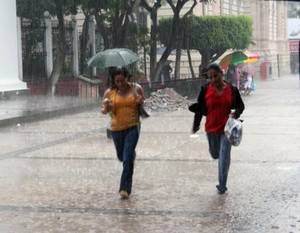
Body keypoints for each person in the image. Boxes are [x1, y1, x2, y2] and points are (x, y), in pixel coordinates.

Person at [189, 63, 245, 194]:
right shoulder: (205, 89)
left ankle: (222, 185)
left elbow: (241, 106)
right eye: (210, 77)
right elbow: (199, 109)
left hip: (227, 129)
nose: (213, 79)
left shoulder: (232, 89)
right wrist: (195, 125)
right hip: (211, 128)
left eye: (215, 75)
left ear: (221, 73)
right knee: (215, 154)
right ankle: (217, 156)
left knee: (224, 155)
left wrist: (235, 114)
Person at [101, 67, 145, 199]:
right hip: (116, 129)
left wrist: (140, 101)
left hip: (133, 127)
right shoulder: (110, 93)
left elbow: (142, 102)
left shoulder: (136, 89)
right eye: (117, 81)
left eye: (122, 80)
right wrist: (107, 107)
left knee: (127, 159)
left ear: (127, 78)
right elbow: (103, 110)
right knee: (122, 156)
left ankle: (124, 188)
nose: (120, 84)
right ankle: (130, 154)